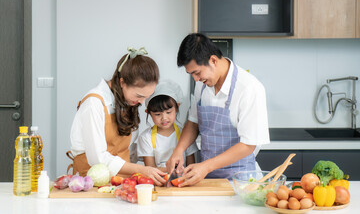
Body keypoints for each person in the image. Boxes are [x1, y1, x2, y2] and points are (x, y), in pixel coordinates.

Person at [166, 33, 270, 186]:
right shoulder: (202, 83)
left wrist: (206, 166)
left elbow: (248, 145)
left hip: (241, 180)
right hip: (207, 176)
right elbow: (193, 122)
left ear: (213, 60)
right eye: (191, 74)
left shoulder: (249, 88)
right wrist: (179, 150)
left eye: (197, 73)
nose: (195, 79)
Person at [68, 47, 166, 186]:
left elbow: (129, 151)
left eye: (147, 97)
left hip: (122, 183)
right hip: (91, 184)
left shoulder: (127, 102)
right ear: (122, 82)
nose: (142, 102)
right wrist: (143, 170)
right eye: (139, 96)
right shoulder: (94, 103)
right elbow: (98, 159)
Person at [137, 80, 198, 172]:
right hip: (158, 182)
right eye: (158, 114)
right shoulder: (145, 138)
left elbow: (191, 166)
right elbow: (150, 170)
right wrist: (173, 169)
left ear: (177, 107)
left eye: (168, 112)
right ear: (148, 113)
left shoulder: (186, 135)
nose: (164, 118)